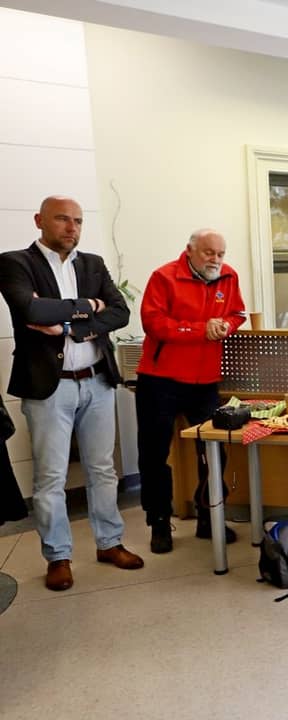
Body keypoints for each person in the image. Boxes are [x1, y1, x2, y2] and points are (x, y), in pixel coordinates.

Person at [0, 196, 143, 591]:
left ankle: (109, 543)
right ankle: (58, 556)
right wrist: (90, 306)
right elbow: (32, 313)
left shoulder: (93, 263)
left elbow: (120, 312)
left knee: (102, 469)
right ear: (39, 220)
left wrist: (67, 326)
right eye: (62, 219)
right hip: (49, 387)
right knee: (50, 477)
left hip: (97, 381)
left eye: (78, 221)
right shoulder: (15, 263)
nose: (72, 228)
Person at [135, 229, 246, 553]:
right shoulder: (164, 277)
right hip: (160, 380)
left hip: (205, 381)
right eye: (209, 253)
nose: (216, 260)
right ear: (190, 251)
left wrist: (226, 325)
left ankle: (208, 516)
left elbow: (237, 313)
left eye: (220, 254)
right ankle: (159, 522)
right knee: (154, 455)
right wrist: (201, 329)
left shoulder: (228, 276)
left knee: (213, 452)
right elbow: (153, 323)